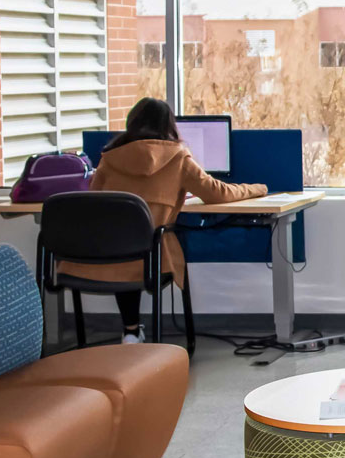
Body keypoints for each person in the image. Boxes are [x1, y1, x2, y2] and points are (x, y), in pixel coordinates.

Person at [60, 98, 267, 344]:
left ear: (132, 123)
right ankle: (139, 334)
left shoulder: (110, 158)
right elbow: (217, 193)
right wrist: (257, 188)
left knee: (124, 249)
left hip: (108, 255)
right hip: (154, 255)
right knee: (138, 250)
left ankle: (131, 331)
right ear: (169, 125)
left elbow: (95, 200)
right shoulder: (178, 158)